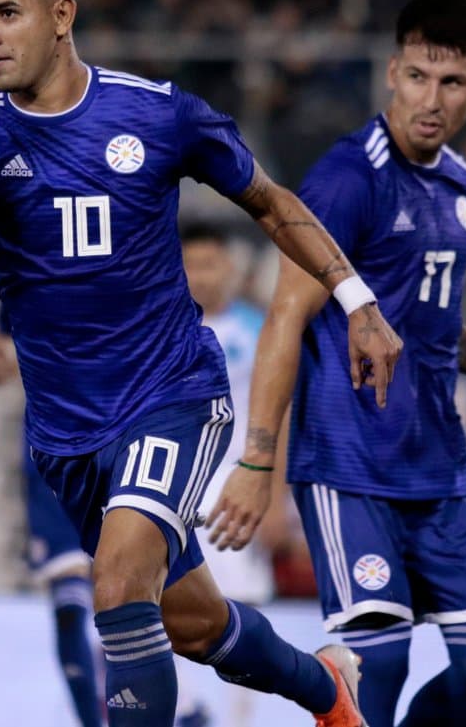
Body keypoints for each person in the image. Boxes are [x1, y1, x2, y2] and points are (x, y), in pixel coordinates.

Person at [0, 0, 402, 727]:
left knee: (117, 582)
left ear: (62, 14)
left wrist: (357, 298)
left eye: (7, 12)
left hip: (171, 394)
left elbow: (270, 202)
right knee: (194, 624)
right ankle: (329, 690)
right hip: (66, 430)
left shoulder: (156, 113)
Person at [207, 0, 466, 727]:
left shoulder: (461, 189)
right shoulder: (345, 179)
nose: (433, 97)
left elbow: (427, 330)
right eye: (419, 76)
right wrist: (259, 462)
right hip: (349, 466)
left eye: (453, 80)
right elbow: (284, 319)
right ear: (392, 72)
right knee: (380, 662)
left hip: (441, 468)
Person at [0, 307, 102, 727]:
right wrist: (2, 356)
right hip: (51, 453)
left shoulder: (127, 258)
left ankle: (177, 710)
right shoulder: (25, 264)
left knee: (128, 599)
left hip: (121, 440)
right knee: (69, 606)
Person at [177, 223, 273, 727]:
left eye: (210, 264)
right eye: (191, 265)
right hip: (174, 491)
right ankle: (188, 711)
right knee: (170, 605)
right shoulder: (162, 330)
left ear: (229, 269)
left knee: (244, 611)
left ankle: (239, 719)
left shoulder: (257, 330)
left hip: (235, 490)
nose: (201, 276)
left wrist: (274, 496)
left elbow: (277, 414)